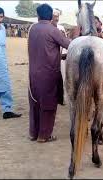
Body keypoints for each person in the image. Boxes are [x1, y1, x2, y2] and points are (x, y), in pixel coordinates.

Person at [28, 4, 79, 143]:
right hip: (49, 73)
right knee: (48, 104)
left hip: (33, 73)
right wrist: (77, 35)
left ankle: (33, 133)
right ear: (51, 16)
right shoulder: (53, 30)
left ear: (38, 15)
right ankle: (44, 135)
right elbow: (70, 45)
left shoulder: (32, 29)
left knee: (34, 103)